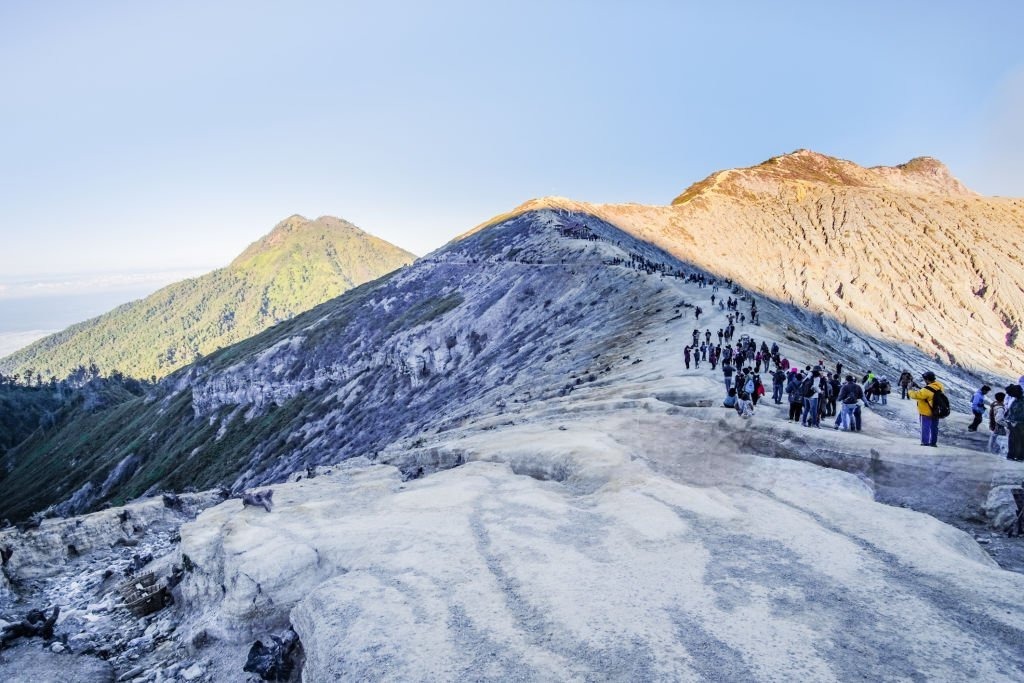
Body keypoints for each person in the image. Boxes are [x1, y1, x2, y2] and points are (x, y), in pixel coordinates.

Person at [908, 371, 944, 447]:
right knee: (934, 427)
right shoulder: (939, 386)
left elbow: (915, 395)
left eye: (924, 379)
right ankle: (933, 443)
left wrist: (910, 389)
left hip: (926, 412)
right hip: (936, 411)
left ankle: (925, 442)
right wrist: (920, 388)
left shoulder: (926, 390)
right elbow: (929, 392)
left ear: (927, 380)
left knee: (925, 428)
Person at [1006, 384, 1024, 461]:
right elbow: (1011, 411)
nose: (1011, 395)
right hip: (1014, 423)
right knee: (1013, 439)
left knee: (1019, 440)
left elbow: (1020, 413)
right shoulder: (1016, 400)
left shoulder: (1021, 401)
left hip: (1019, 423)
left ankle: (1019, 456)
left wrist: (1015, 421)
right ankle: (1012, 455)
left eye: (1011, 394)